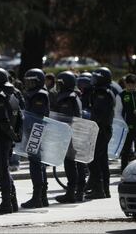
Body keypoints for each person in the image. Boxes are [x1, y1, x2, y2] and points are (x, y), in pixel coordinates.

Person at [0, 68, 22, 215]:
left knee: (1, 172)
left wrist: (12, 135)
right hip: (5, 139)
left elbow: (3, 120)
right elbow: (20, 117)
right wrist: (16, 135)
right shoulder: (11, 93)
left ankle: (7, 203)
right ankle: (12, 202)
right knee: (4, 170)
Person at [53, 71, 86, 203]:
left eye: (60, 83)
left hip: (70, 136)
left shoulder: (68, 98)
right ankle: (77, 192)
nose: (58, 86)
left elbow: (66, 119)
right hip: (74, 135)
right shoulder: (73, 96)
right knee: (76, 164)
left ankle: (72, 193)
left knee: (71, 164)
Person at [21, 68, 50, 209]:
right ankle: (42, 197)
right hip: (34, 132)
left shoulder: (39, 95)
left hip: (36, 132)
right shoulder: (34, 94)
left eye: (31, 81)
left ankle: (37, 197)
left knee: (36, 165)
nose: (28, 84)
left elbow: (36, 117)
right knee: (39, 164)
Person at [86, 67, 115, 199]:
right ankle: (105, 190)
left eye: (96, 77)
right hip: (103, 130)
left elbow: (100, 114)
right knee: (102, 161)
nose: (94, 80)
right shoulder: (101, 91)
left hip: (101, 130)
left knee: (92, 160)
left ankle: (99, 189)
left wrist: (91, 127)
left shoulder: (102, 93)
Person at [119, 74, 136, 172]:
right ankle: (123, 170)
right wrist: (123, 124)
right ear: (125, 84)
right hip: (127, 127)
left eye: (133, 85)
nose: (131, 87)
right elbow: (118, 112)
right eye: (129, 85)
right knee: (126, 150)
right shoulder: (121, 95)